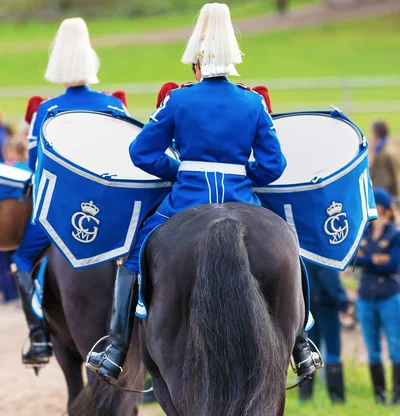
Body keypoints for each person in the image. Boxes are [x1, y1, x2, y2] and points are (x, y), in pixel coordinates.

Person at [87, 2, 322, 382]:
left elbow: (140, 152)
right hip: (241, 195)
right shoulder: (253, 101)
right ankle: (302, 343)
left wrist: (176, 168)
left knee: (133, 256)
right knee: (288, 249)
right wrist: (247, 172)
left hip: (187, 197)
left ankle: (115, 347)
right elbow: (274, 166)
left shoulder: (178, 100)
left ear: (196, 63)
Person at [11, 17, 128, 367]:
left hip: (60, 213)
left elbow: (36, 164)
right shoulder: (113, 106)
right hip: (109, 211)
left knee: (20, 262)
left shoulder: (48, 110)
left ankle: (39, 339)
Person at [356, 188, 400, 405]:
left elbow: (392, 263)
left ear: (380, 207)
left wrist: (367, 259)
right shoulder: (362, 233)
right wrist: (376, 259)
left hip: (389, 296)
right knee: (372, 350)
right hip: (365, 296)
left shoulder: (395, 233)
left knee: (395, 347)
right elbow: (354, 260)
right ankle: (379, 396)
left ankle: (397, 395)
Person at [299, 262, 349, 403]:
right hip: (327, 306)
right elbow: (328, 277)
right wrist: (343, 303)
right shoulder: (321, 251)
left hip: (307, 306)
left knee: (308, 351)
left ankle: (305, 397)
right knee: (333, 351)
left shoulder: (302, 249)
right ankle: (337, 398)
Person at [369, 121, 400, 199]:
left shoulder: (384, 153)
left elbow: (383, 179)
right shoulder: (385, 148)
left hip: (385, 196)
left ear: (376, 134)